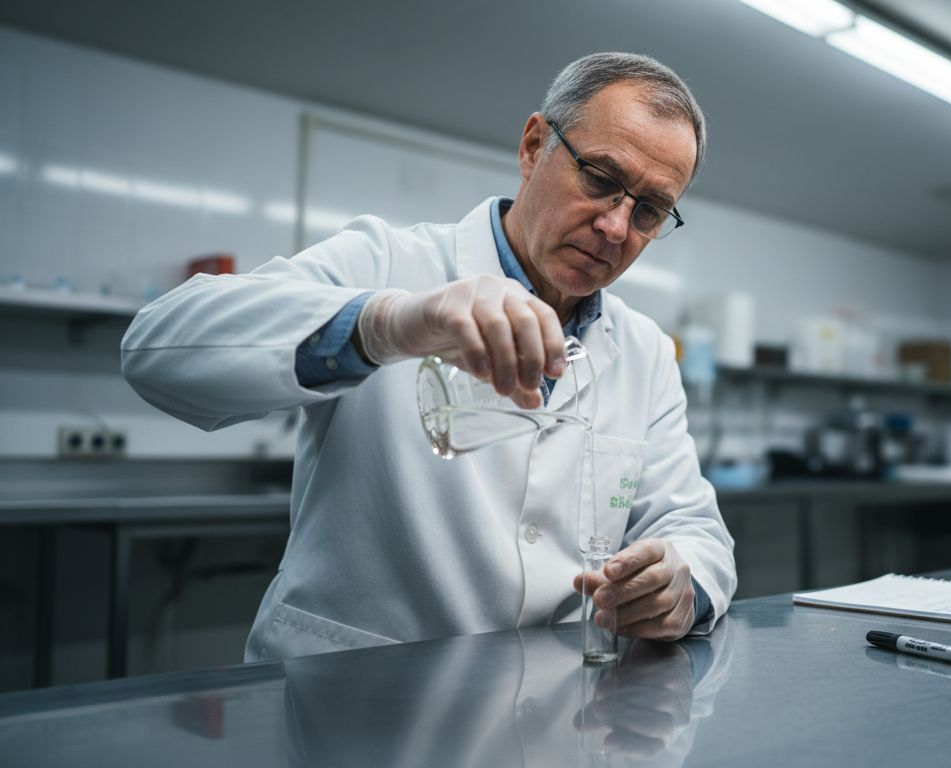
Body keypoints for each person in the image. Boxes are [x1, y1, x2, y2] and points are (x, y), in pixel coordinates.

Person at [122, 52, 736, 661]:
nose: (615, 227)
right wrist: (386, 325)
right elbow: (158, 347)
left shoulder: (645, 350)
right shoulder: (388, 263)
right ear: (533, 147)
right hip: (354, 695)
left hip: (554, 709)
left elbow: (695, 530)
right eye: (600, 178)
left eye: (649, 209)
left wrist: (681, 585)